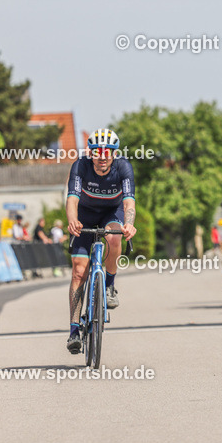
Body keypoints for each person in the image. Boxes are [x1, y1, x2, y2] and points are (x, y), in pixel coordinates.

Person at [64, 128, 138, 354]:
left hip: (111, 213)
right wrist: (73, 220)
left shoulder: (123, 167)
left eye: (107, 152)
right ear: (91, 152)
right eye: (97, 152)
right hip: (85, 214)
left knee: (115, 236)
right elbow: (72, 199)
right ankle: (74, 331)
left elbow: (129, 203)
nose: (102, 157)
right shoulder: (80, 165)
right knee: (78, 272)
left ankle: (109, 285)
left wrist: (129, 223)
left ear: (114, 154)